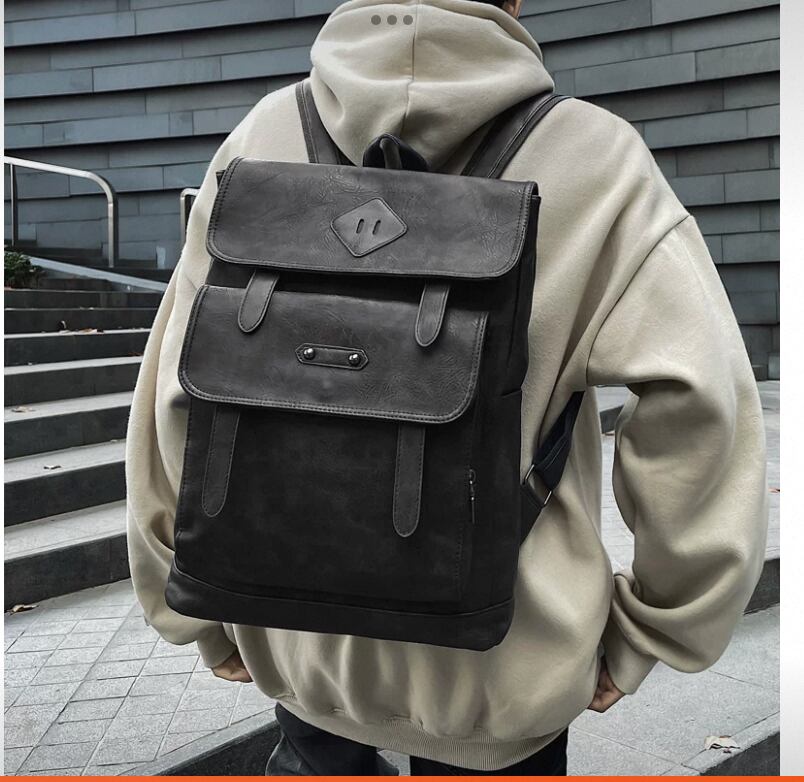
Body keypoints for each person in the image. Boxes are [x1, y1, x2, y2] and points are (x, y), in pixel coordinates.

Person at [126, 0, 769, 775]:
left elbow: (174, 393)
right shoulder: (596, 156)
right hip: (507, 668)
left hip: (297, 645)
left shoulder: (262, 135)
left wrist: (191, 613)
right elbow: (701, 408)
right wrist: (655, 630)